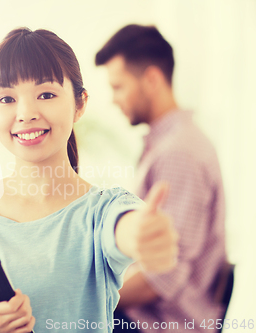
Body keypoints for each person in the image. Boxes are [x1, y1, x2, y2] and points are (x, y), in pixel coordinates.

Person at [0, 27, 178, 333]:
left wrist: (141, 235)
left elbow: (125, 227)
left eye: (47, 94)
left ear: (80, 104)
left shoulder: (102, 211)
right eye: (6, 98)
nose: (26, 113)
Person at [95, 24, 227, 333]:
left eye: (118, 87)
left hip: (159, 324)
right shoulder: (169, 144)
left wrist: (85, 296)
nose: (114, 99)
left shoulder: (179, 153)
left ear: (152, 79)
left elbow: (161, 279)